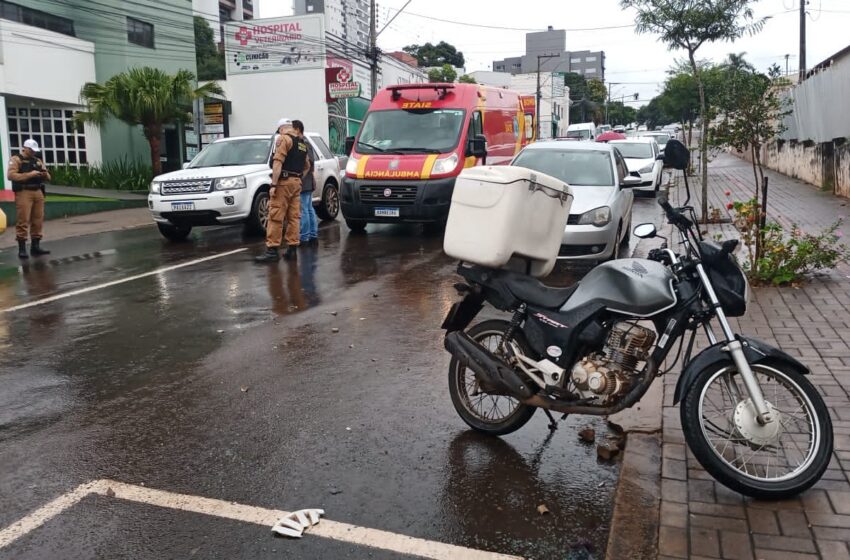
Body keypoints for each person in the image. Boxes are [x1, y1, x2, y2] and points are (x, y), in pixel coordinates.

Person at [256, 118, 311, 263]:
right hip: (296, 184)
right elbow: (307, 166)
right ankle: (292, 249)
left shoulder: (283, 139)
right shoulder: (302, 143)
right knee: (294, 217)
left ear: (281, 129)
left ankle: (272, 251)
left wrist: (274, 185)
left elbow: (277, 162)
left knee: (275, 215)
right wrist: (298, 178)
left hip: (283, 184)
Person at [7, 139, 51, 259]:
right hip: (24, 191)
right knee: (23, 220)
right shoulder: (16, 159)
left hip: (38, 191)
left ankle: (35, 246)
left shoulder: (37, 160)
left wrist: (44, 174)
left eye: (34, 150)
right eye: (31, 150)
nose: (33, 152)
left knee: (38, 219)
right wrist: (29, 175)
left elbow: (48, 177)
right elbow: (11, 175)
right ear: (25, 148)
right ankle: (22, 249)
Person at [293, 120, 319, 243]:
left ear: (297, 129)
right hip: (308, 180)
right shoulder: (306, 142)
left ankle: (305, 236)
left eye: (292, 129)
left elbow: (307, 162)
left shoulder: (302, 143)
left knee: (304, 209)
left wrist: (300, 175)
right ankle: (312, 235)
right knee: (309, 208)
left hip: (304, 180)